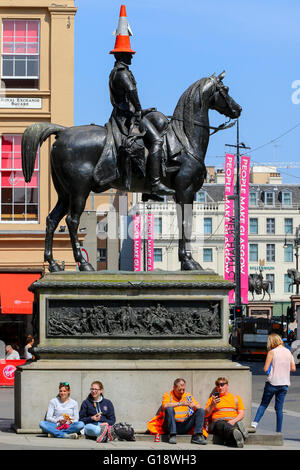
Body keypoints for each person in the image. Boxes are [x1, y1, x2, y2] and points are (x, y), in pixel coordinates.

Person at [108, 5, 174, 197]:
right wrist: (139, 110)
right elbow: (132, 93)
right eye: (129, 53)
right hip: (126, 117)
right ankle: (153, 184)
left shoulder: (117, 72)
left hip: (123, 114)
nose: (131, 56)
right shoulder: (122, 73)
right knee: (156, 141)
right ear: (122, 55)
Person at [250, 333, 296, 433]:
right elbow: (293, 368)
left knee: (264, 404)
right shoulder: (288, 352)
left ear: (272, 342)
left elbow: (266, 368)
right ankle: (278, 431)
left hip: (272, 383)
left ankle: (254, 424)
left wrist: (271, 372)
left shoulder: (272, 352)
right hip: (284, 384)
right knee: (279, 408)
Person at [148, 378, 207, 445]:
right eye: (179, 390)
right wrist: (181, 403)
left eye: (183, 390)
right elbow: (165, 405)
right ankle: (172, 435)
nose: (182, 392)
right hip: (170, 426)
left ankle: (197, 436)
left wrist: (194, 406)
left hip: (184, 425)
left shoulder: (187, 395)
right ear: (174, 388)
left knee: (201, 411)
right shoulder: (168, 395)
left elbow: (199, 407)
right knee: (169, 409)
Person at [205, 377, 248, 448]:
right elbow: (206, 414)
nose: (220, 387)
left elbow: (242, 413)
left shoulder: (236, 398)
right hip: (217, 422)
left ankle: (236, 437)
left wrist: (233, 421)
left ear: (227, 385)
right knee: (223, 425)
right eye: (218, 385)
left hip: (232, 421)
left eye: (222, 385)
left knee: (231, 425)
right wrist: (212, 404)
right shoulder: (212, 399)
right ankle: (239, 433)